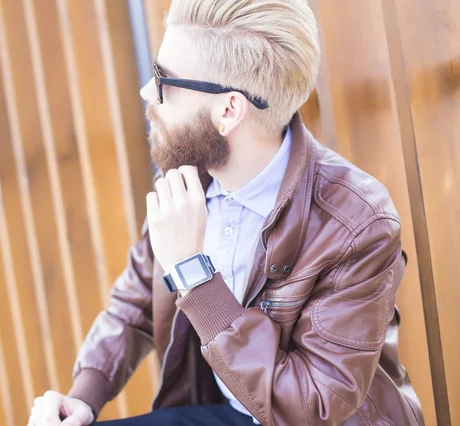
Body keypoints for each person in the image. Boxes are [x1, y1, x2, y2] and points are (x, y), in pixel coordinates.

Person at [28, 0, 425, 425]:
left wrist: (193, 273)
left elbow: (313, 407)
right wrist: (83, 398)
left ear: (229, 110)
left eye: (164, 80)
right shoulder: (192, 172)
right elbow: (137, 300)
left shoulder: (356, 223)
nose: (148, 92)